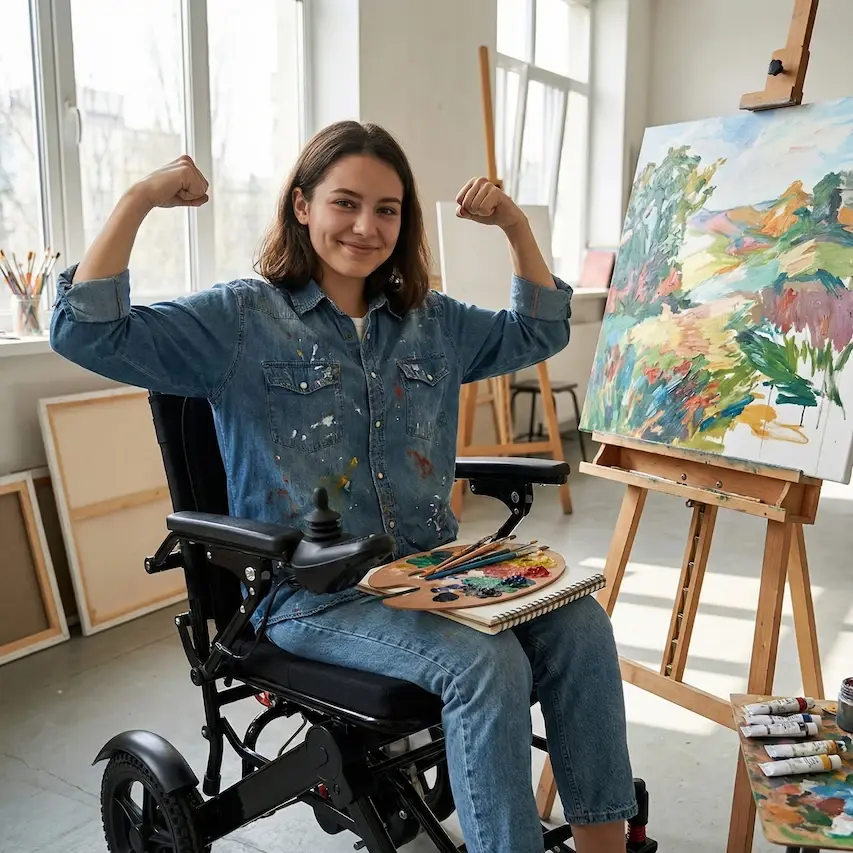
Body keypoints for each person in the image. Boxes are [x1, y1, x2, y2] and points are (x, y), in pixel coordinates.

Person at [50, 120, 636, 853]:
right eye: (344, 203)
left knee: (580, 625)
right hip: (307, 596)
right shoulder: (240, 318)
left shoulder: (431, 323)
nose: (366, 226)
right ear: (301, 206)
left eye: (386, 209)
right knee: (484, 662)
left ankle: (605, 844)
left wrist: (513, 224)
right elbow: (87, 333)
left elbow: (540, 331)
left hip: (432, 577)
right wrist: (140, 197)